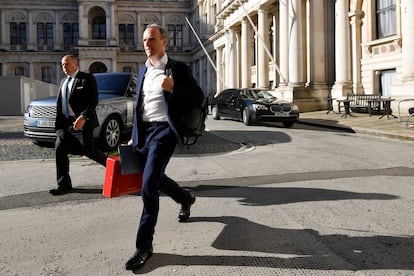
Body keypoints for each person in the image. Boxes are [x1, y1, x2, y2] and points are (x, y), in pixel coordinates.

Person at [124, 24, 204, 271]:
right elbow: (140, 107)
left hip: (164, 132)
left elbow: (199, 98)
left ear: (164, 41)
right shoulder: (144, 71)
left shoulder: (178, 69)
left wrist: (174, 89)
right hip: (145, 133)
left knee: (148, 184)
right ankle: (185, 198)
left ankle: (144, 246)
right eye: (145, 39)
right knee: (157, 177)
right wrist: (134, 137)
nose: (147, 43)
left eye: (152, 39)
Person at [49, 54, 107, 196]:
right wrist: (58, 126)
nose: (64, 67)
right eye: (62, 64)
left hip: (84, 122)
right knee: (60, 148)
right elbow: (60, 104)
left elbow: (93, 101)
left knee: (89, 151)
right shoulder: (63, 81)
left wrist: (83, 117)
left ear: (76, 64)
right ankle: (64, 185)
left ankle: (117, 168)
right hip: (65, 123)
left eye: (67, 64)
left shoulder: (86, 78)